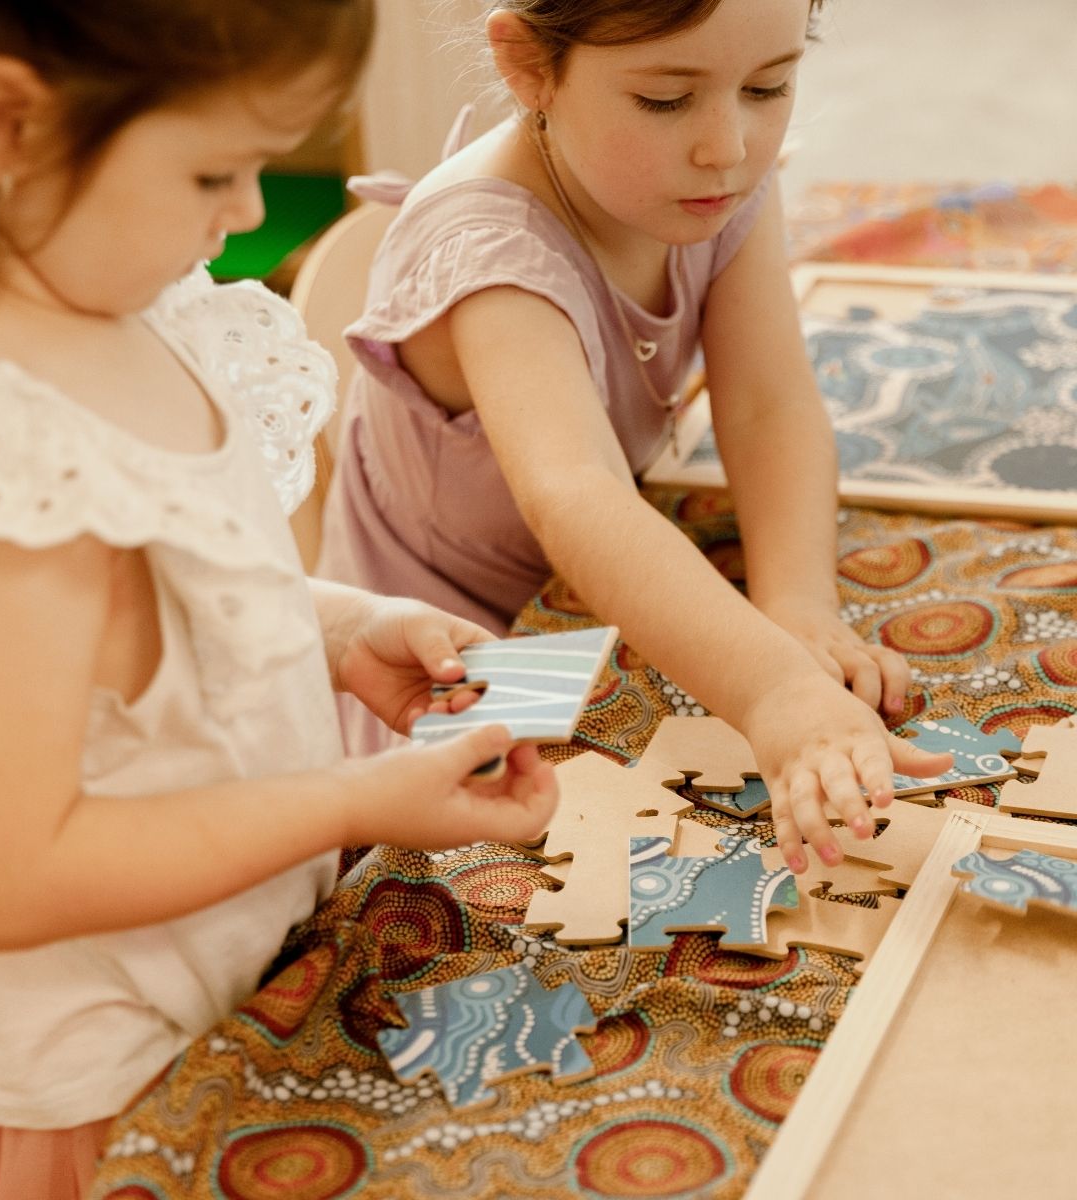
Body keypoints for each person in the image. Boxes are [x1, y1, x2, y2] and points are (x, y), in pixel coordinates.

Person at [0, 2, 558, 1195]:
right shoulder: (3, 475)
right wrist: (355, 798)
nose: (248, 212)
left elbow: (170, 603)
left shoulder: (126, 297)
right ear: (3, 126)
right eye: (215, 167)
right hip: (101, 1083)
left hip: (226, 977)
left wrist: (338, 627)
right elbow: (4, 874)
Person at [318, 0, 953, 872]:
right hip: (449, 666)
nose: (726, 144)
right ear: (528, 65)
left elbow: (769, 403)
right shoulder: (489, 253)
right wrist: (774, 689)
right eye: (665, 99)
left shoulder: (712, 181)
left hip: (606, 604)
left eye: (769, 83)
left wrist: (797, 603)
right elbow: (578, 497)